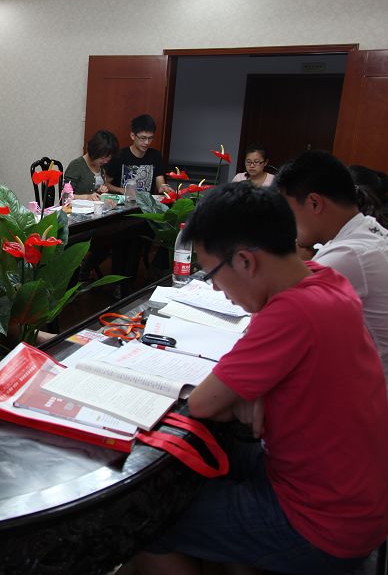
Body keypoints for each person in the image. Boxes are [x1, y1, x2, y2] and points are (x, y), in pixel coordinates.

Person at [132, 183, 388, 575]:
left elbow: (203, 404)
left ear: (245, 262)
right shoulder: (323, 279)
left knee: (146, 522)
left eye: (213, 274)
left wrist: (241, 396)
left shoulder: (293, 312)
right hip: (356, 499)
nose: (217, 288)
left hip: (321, 523)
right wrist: (248, 395)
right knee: (215, 462)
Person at [276, 150, 388, 380]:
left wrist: (295, 261)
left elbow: (276, 320)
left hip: (371, 391)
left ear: (315, 203)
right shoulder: (368, 228)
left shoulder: (347, 255)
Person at [105, 114, 173, 195]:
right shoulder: (119, 156)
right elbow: (105, 184)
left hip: (146, 202)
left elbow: (160, 184)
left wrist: (164, 188)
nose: (147, 142)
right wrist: (121, 190)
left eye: (150, 138)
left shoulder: (155, 155)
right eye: (143, 138)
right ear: (133, 136)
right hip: (123, 201)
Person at [63, 130, 118, 200]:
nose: (105, 161)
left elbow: (95, 192)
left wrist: (100, 191)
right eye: (102, 158)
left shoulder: (102, 166)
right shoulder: (76, 165)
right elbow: (65, 195)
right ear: (93, 152)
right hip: (78, 206)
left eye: (109, 157)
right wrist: (87, 197)